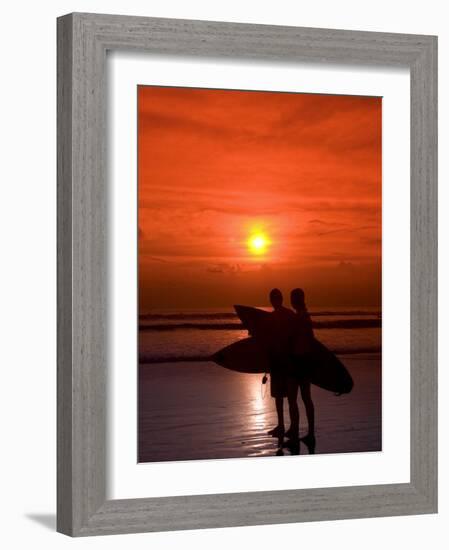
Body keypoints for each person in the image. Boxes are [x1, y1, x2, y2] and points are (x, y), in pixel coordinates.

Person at [265, 288, 299, 440]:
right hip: (282, 361)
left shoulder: (281, 316)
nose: (275, 301)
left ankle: (290, 427)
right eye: (273, 298)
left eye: (276, 298)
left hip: (286, 361)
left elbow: (296, 337)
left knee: (287, 397)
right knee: (282, 397)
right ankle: (284, 426)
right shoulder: (285, 315)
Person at [290, 288, 315, 443]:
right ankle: (308, 433)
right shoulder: (304, 316)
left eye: (293, 298)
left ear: (296, 300)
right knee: (305, 398)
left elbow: (298, 339)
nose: (291, 301)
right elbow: (311, 340)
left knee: (295, 399)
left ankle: (297, 432)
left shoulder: (301, 317)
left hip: (298, 362)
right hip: (304, 362)